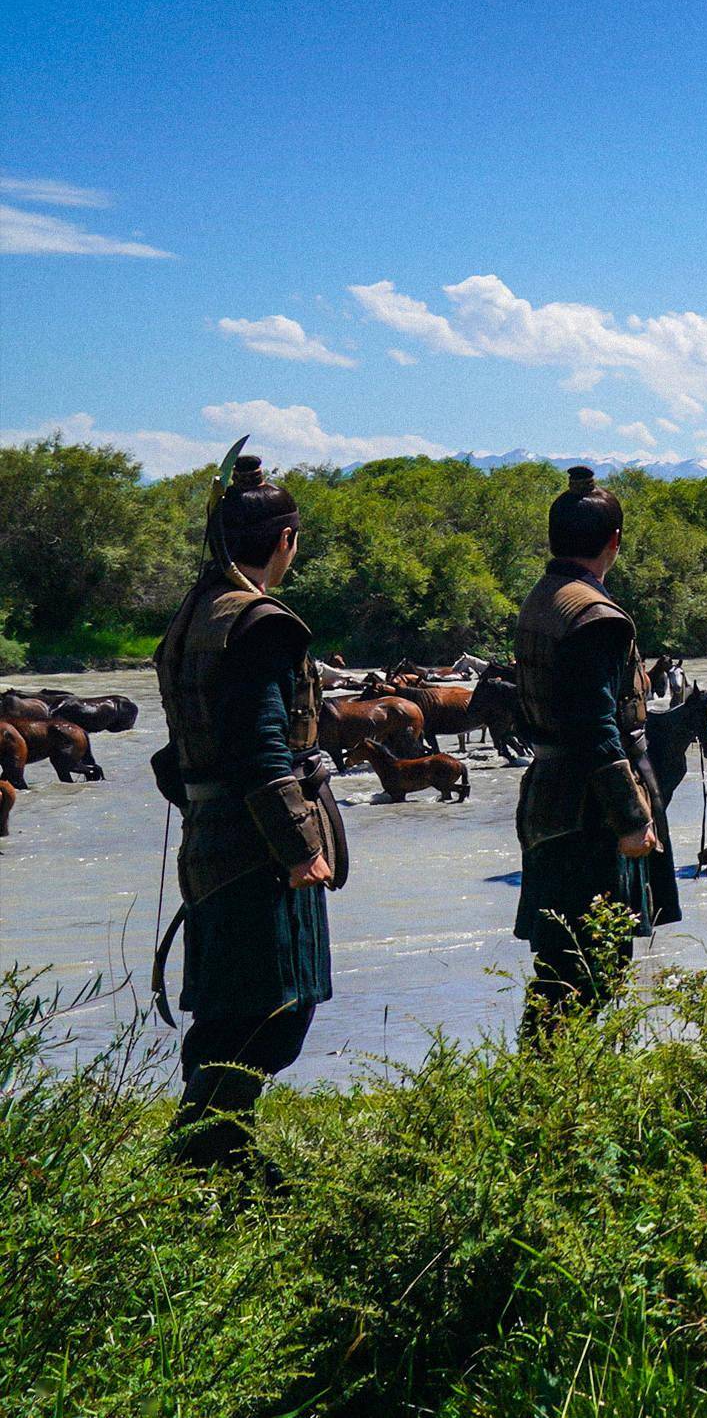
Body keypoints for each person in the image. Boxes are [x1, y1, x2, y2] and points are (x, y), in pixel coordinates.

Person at [150, 449, 345, 1173]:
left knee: (229, 1013)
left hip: (210, 841)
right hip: (258, 851)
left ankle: (215, 1162)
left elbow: (187, 753)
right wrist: (301, 850)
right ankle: (206, 1159)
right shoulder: (259, 622)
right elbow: (264, 752)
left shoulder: (195, 612)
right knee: (275, 1013)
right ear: (283, 541)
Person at [510, 467, 678, 1033]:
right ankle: (552, 1099)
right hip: (590, 812)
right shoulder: (594, 616)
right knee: (590, 971)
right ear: (614, 542)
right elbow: (595, 728)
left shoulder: (544, 598)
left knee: (562, 967)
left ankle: (543, 1094)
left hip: (551, 797)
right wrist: (631, 818)